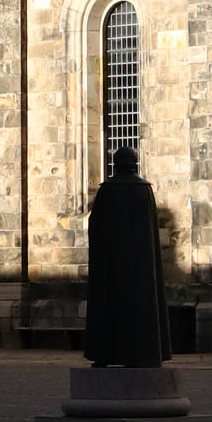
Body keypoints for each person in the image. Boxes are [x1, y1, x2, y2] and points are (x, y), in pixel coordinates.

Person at [82, 143, 173, 369]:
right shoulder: (144, 190)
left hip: (111, 266)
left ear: (116, 165)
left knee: (108, 305)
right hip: (141, 266)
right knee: (141, 306)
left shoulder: (107, 190)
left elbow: (95, 227)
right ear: (134, 164)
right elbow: (151, 230)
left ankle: (106, 353)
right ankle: (146, 353)